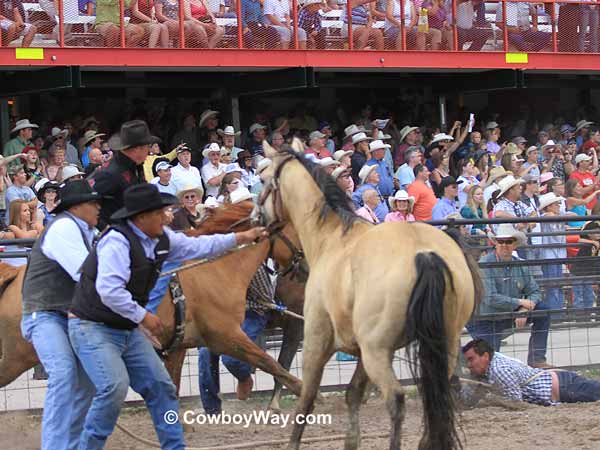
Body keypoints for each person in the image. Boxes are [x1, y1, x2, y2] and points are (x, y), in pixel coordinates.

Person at [68, 183, 267, 450]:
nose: (167, 216)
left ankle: (175, 447)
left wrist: (241, 238)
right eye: (161, 212)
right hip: (93, 327)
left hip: (125, 329)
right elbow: (109, 291)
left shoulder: (162, 238)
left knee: (162, 389)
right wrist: (144, 316)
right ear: (142, 217)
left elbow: (200, 246)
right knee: (113, 389)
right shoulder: (116, 242)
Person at [20, 180, 101, 450]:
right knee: (64, 373)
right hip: (44, 312)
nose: (99, 207)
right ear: (78, 207)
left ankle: (72, 445)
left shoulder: (90, 231)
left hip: (69, 315)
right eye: (94, 202)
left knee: (88, 380)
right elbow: (86, 274)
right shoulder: (65, 227)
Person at [198, 189, 269, 415]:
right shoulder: (220, 245)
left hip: (253, 309)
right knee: (203, 353)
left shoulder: (252, 243)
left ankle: (244, 375)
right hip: (222, 312)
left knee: (231, 355)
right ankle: (211, 408)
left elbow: (264, 294)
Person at [467, 224, 551, 368]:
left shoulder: (520, 265)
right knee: (490, 364)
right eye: (501, 241)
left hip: (507, 314)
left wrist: (524, 308)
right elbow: (490, 299)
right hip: (485, 319)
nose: (504, 245)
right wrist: (520, 302)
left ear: (514, 245)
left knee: (543, 311)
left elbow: (535, 290)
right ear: (495, 243)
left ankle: (537, 360)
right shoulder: (484, 265)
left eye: (509, 241)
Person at [463, 339, 600, 405]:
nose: (469, 365)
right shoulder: (488, 367)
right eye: (467, 361)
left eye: (471, 359)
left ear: (485, 356)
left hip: (565, 388)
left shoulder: (499, 370)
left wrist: (487, 398)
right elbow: (468, 398)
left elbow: (515, 402)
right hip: (562, 385)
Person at [93, 120, 157, 229]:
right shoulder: (110, 173)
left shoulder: (134, 166)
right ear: (138, 149)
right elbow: (91, 205)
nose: (150, 151)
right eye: (148, 146)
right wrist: (107, 231)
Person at [538, 192, 566, 315]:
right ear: (549, 206)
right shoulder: (545, 217)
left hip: (556, 255)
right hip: (550, 256)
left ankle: (557, 311)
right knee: (553, 286)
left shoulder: (555, 216)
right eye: (556, 204)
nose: (559, 206)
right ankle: (555, 313)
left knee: (557, 285)